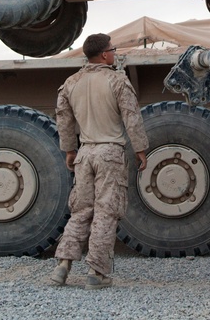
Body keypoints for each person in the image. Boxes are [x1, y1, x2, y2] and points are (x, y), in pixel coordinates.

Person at [50, 34, 149, 290]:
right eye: (112, 50)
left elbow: (64, 119)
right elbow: (132, 117)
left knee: (81, 210)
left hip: (85, 153)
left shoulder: (71, 83)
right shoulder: (117, 81)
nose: (114, 54)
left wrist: (69, 150)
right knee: (106, 211)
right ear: (105, 55)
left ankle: (62, 266)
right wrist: (140, 149)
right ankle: (97, 272)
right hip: (109, 153)